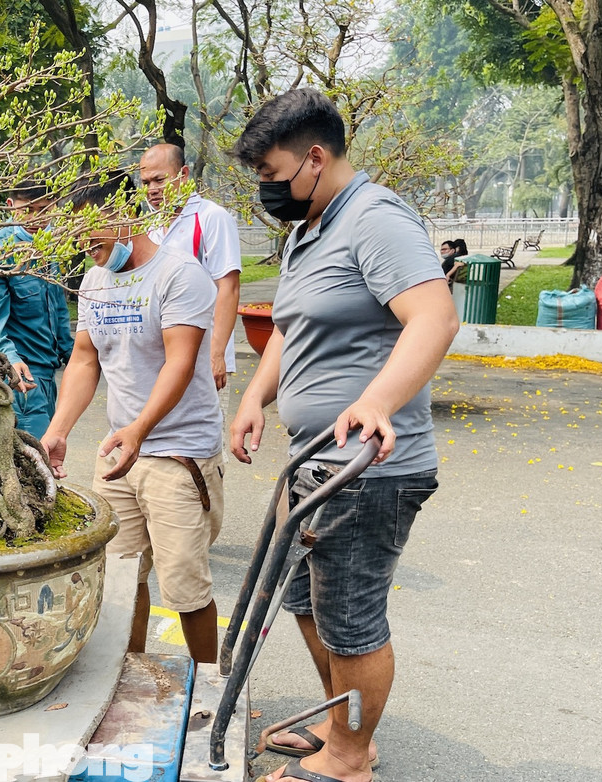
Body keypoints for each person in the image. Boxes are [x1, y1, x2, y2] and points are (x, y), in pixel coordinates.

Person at [226, 88, 458, 782]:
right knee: (303, 601)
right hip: (312, 462)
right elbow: (290, 329)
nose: (267, 190)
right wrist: (256, 398)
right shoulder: (309, 230)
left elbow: (434, 318)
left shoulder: (375, 219)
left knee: (351, 619)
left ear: (315, 158)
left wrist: (379, 400)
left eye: (271, 175)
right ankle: (338, 725)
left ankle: (350, 760)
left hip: (369, 468)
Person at [40, 170, 224, 664]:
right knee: (120, 578)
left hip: (177, 454)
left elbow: (181, 362)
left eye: (86, 228)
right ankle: (132, 672)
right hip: (119, 453)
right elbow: (84, 360)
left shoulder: (179, 275)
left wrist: (140, 429)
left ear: (125, 214)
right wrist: (58, 431)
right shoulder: (95, 281)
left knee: (184, 585)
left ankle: (208, 684)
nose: (79, 243)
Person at [0, 180, 74, 438]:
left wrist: (74, 354)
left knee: (46, 455)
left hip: (48, 375)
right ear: (11, 206)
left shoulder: (48, 247)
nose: (37, 218)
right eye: (29, 209)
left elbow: (59, 309)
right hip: (20, 378)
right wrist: (10, 360)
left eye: (45, 209)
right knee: (33, 458)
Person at [138, 144, 243, 389]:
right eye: (145, 183)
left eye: (159, 180)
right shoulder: (150, 224)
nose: (152, 189)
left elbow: (228, 287)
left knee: (197, 424)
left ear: (183, 174)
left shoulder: (211, 217)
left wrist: (216, 354)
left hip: (202, 353)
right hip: (160, 353)